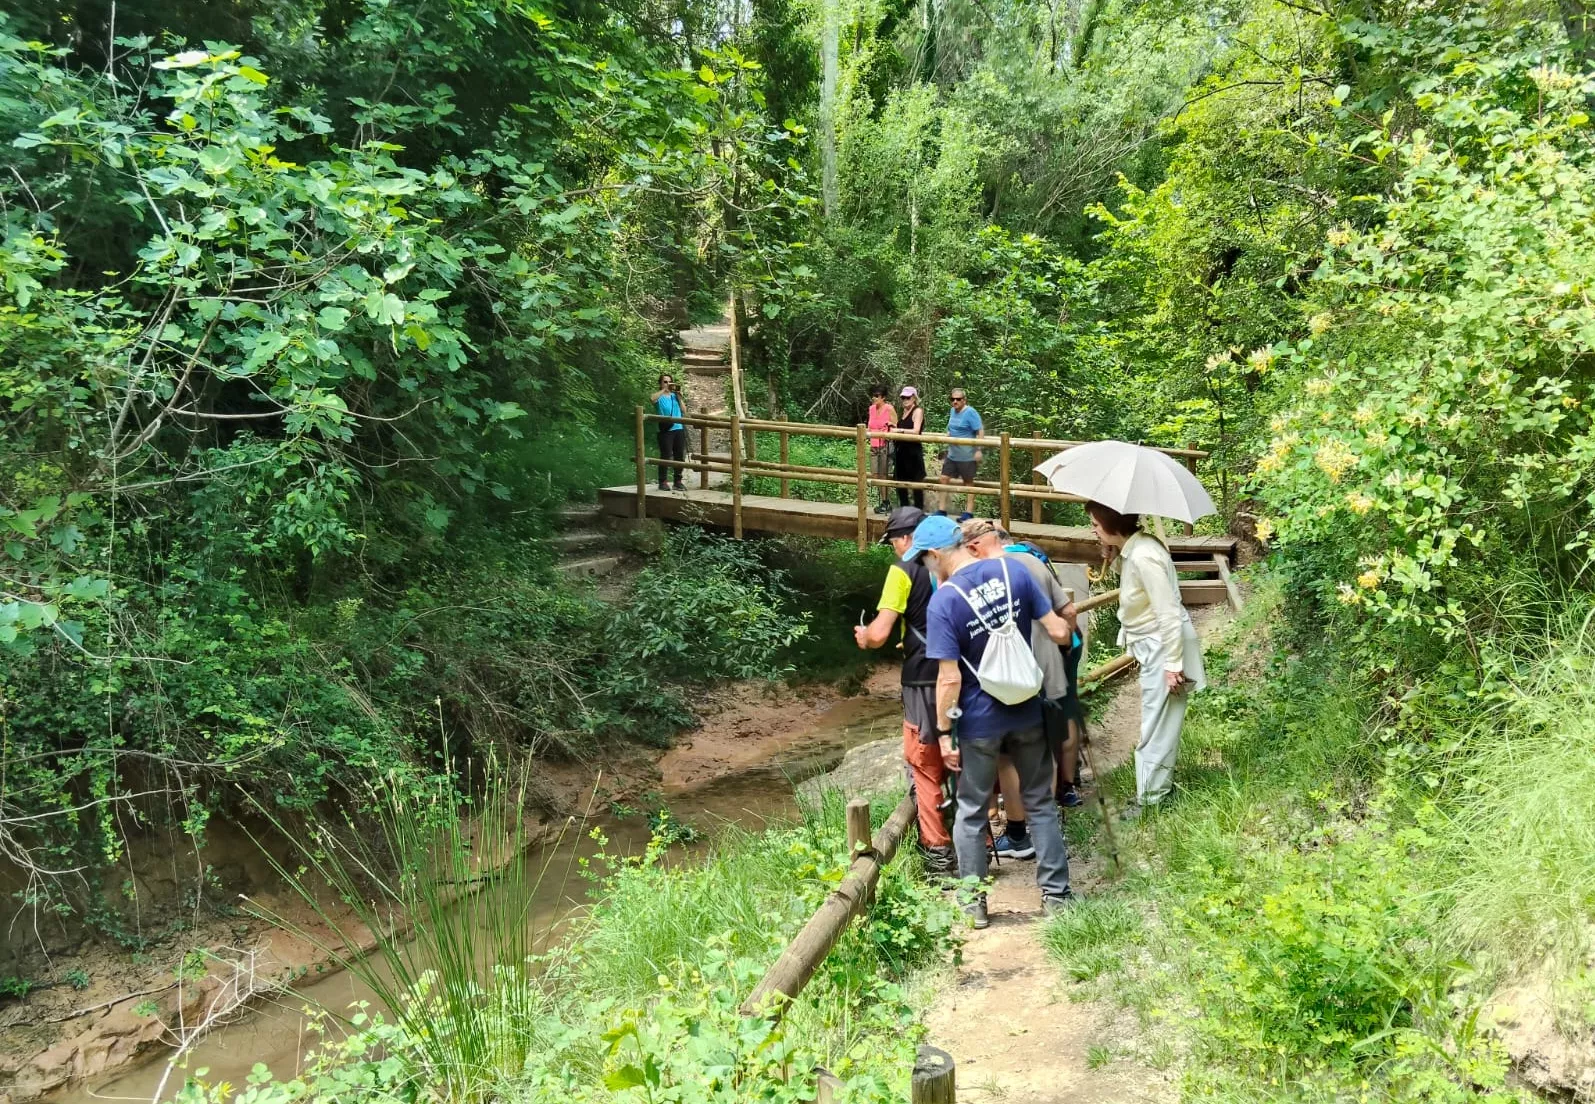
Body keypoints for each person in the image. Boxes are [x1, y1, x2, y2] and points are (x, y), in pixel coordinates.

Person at [906, 515, 1077, 928]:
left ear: (935, 554)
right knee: (1039, 802)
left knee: (970, 810)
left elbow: (949, 678)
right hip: (1027, 710)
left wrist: (944, 732)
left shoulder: (945, 601)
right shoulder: (1013, 570)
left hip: (980, 721)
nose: (926, 568)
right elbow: (1057, 630)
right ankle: (1057, 896)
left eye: (924, 560)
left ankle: (974, 905)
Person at [960, 519, 1083, 850]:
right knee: (1049, 743)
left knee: (1007, 758)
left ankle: (1017, 833)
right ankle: (1050, 822)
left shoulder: (977, 573)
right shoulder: (1034, 562)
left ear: (974, 546)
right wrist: (1065, 646)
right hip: (1048, 667)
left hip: (1005, 678)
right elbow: (1067, 612)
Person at [1087, 501, 1207, 818]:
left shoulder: (1145, 555)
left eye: (1096, 523)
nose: (1093, 529)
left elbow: (1166, 611)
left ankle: (1150, 800)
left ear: (1112, 524)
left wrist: (1173, 664)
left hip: (1163, 645)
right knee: (1158, 719)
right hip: (1156, 645)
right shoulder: (1134, 550)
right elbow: (1137, 592)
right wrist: (1111, 558)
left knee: (1157, 723)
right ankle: (1152, 790)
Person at [853, 506, 954, 876]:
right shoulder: (954, 562)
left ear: (907, 538)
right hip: (961, 671)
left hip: (923, 678)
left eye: (894, 541)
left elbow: (879, 633)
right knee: (960, 753)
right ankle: (975, 829)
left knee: (923, 763)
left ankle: (938, 853)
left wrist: (866, 637)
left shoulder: (902, 571)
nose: (894, 549)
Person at [939, 388, 983, 518]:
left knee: (968, 482)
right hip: (952, 454)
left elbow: (979, 431)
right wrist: (947, 435)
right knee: (944, 478)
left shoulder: (970, 413)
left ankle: (968, 512)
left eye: (958, 399)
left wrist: (979, 449)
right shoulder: (953, 411)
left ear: (964, 400)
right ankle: (941, 510)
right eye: (952, 399)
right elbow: (951, 427)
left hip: (967, 454)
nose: (955, 402)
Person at [651, 374, 687, 491]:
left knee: (679, 456)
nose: (668, 384)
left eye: (670, 382)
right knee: (665, 456)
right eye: (665, 382)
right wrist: (663, 390)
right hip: (666, 430)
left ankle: (678, 481)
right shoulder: (659, 397)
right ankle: (663, 481)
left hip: (678, 428)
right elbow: (652, 399)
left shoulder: (675, 396)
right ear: (660, 383)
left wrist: (680, 397)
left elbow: (684, 411)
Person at [893, 387, 926, 509]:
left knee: (916, 485)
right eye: (903, 397)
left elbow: (916, 431)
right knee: (900, 484)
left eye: (908, 397)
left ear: (914, 398)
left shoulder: (917, 411)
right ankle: (904, 510)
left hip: (913, 452)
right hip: (901, 452)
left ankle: (918, 512)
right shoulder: (904, 412)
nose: (905, 400)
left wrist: (899, 430)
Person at [867, 386, 896, 515]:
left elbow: (896, 426)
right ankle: (885, 500)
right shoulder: (871, 409)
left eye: (877, 396)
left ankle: (885, 502)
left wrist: (890, 427)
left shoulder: (889, 409)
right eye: (873, 395)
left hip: (885, 444)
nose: (874, 398)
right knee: (875, 474)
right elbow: (869, 426)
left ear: (883, 397)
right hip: (873, 444)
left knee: (883, 474)